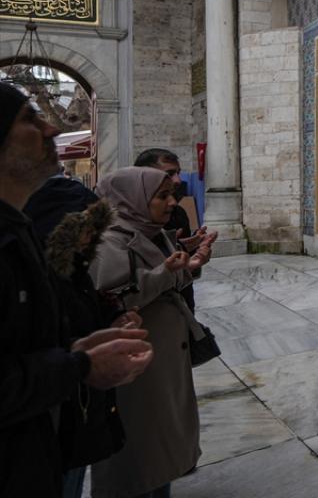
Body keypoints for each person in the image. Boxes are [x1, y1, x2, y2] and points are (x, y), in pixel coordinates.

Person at [1, 82, 154, 497]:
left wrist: (80, 345)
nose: (51, 130)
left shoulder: (21, 234)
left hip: (36, 456)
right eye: (29, 120)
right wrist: (80, 367)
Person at [89, 166, 213, 498]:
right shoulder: (109, 241)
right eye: (162, 196)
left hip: (160, 362)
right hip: (138, 371)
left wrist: (189, 262)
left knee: (161, 453)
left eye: (172, 194)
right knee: (139, 459)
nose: (172, 202)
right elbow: (111, 300)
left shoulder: (148, 231)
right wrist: (166, 272)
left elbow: (165, 282)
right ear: (133, 199)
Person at [134, 148, 217, 311]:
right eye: (170, 173)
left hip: (182, 305)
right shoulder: (125, 228)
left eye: (178, 173)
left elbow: (182, 266)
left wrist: (192, 249)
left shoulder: (178, 213)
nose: (178, 180)